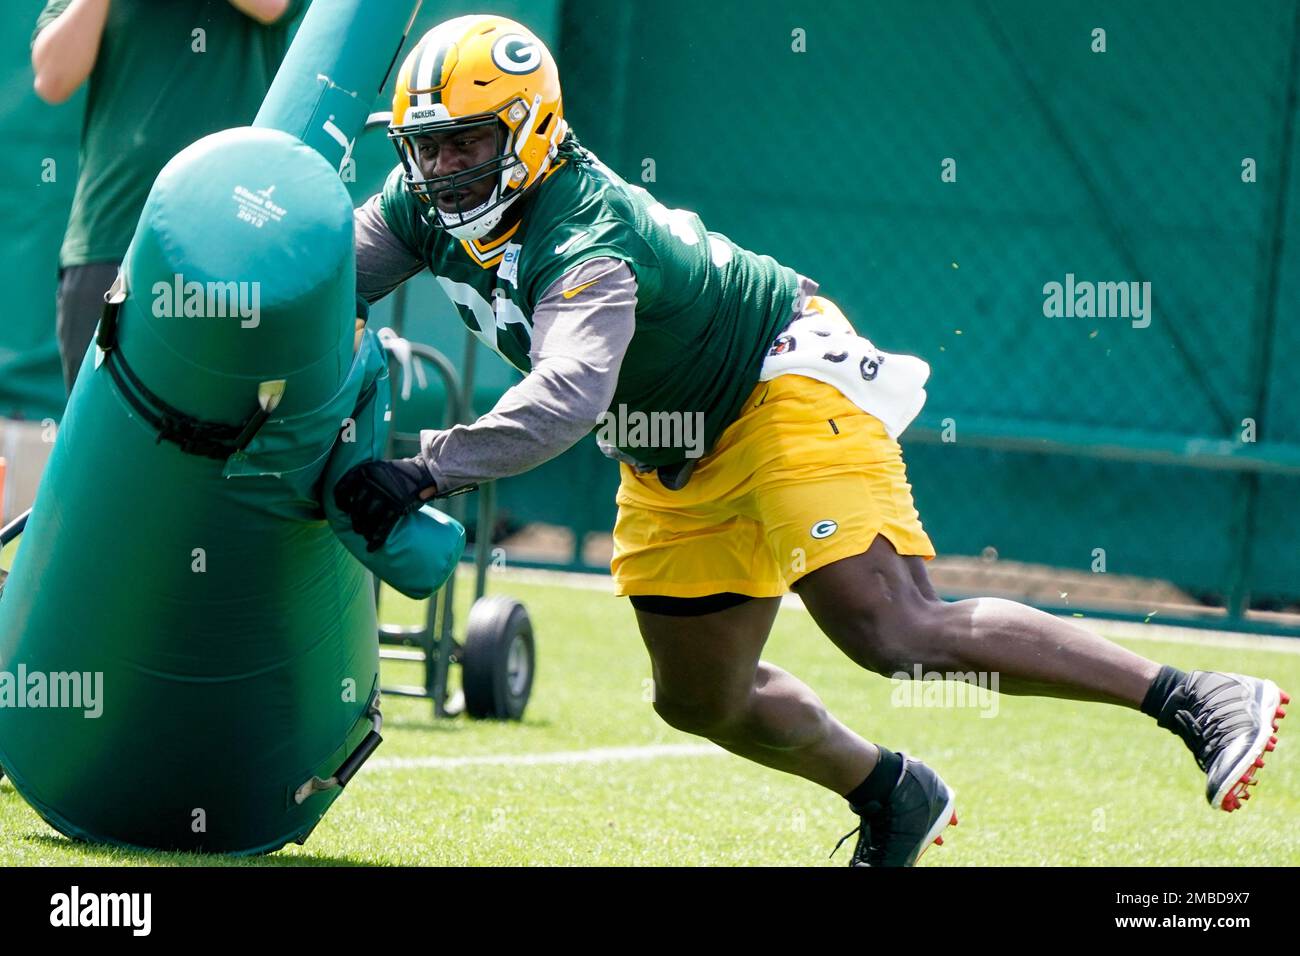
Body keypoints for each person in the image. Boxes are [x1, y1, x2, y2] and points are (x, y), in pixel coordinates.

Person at [335, 15, 1289, 866]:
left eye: (466, 143)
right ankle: (891, 792)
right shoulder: (422, 200)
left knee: (890, 626)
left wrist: (425, 469)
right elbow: (325, 274)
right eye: (427, 147)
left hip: (775, 380)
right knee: (700, 700)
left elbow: (566, 399)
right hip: (668, 444)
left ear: (531, 127)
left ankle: (1195, 696)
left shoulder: (586, 235)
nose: (443, 169)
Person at [32, 0, 303, 394]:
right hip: (111, 237)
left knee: (220, 434)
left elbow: (274, 6)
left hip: (235, 245)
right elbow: (53, 79)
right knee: (101, 438)